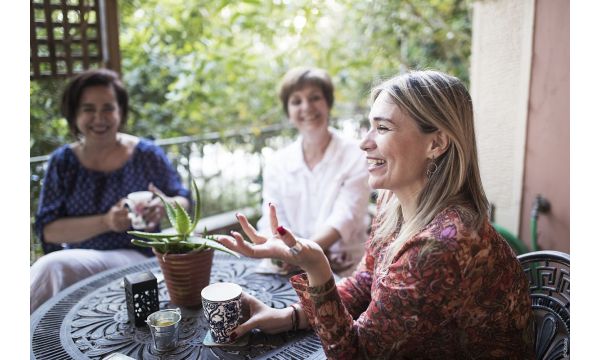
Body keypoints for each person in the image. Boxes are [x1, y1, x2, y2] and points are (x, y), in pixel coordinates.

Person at [219, 70, 535, 359]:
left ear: (436, 143)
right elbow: (366, 281)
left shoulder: (439, 245)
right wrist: (290, 316)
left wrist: (317, 267)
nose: (364, 143)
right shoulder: (391, 201)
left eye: (382, 128)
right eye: (370, 126)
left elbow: (357, 355)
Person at [31, 68, 191, 313]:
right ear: (73, 114)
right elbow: (48, 230)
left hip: (137, 258)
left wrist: (164, 205)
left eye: (108, 108)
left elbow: (183, 199)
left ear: (121, 111)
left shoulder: (146, 154)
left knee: (52, 267)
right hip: (78, 261)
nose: (99, 118)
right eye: (88, 109)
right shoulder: (62, 162)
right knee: (52, 266)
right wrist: (106, 221)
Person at [256, 67, 370, 275]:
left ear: (328, 104)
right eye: (296, 101)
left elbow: (345, 216)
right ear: (288, 112)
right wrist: (290, 253)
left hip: (344, 269)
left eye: (315, 98)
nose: (306, 107)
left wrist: (301, 253)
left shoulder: (356, 154)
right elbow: (273, 218)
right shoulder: (277, 163)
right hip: (289, 268)